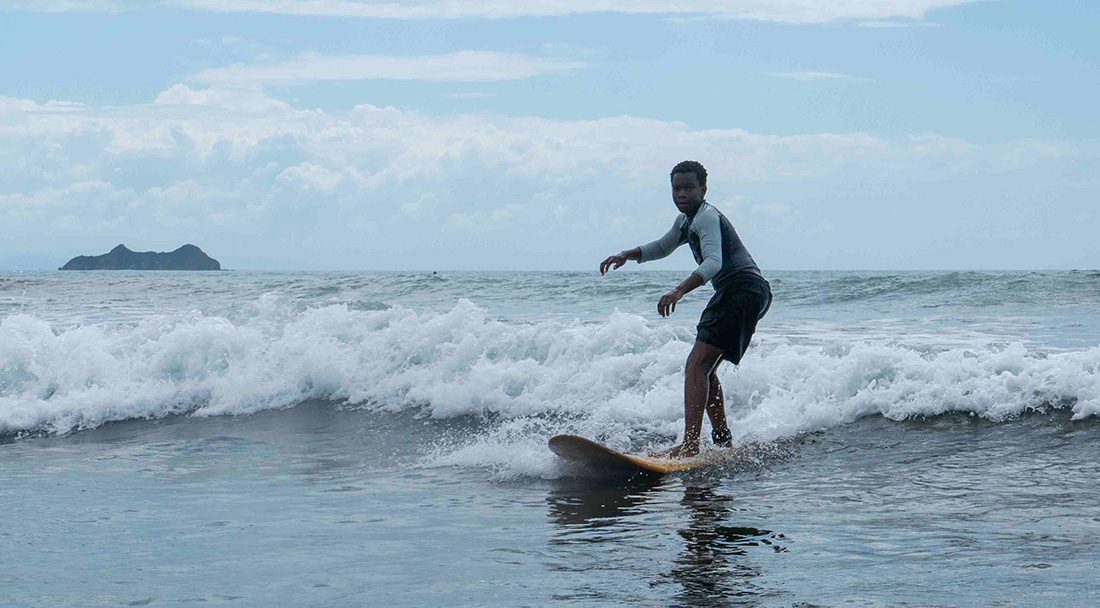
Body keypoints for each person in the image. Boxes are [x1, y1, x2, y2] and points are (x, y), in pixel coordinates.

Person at [599, 160, 772, 458]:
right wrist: (629, 254)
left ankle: (691, 445)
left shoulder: (706, 218)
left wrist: (679, 290)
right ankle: (722, 441)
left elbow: (714, 262)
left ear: (703, 189)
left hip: (742, 288)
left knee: (696, 366)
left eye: (689, 187)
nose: (682, 194)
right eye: (676, 188)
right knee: (705, 369)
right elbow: (663, 246)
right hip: (748, 292)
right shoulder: (685, 221)